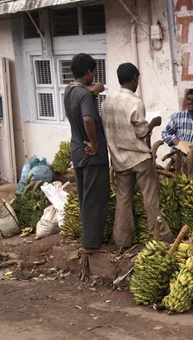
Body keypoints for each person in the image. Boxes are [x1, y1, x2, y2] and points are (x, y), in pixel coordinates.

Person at [101, 63, 172, 249]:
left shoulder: (106, 102)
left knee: (123, 200)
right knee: (150, 197)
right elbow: (141, 132)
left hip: (119, 159)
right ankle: (160, 236)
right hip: (139, 158)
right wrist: (154, 123)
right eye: (137, 79)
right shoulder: (135, 102)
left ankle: (122, 242)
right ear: (134, 79)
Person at [63, 53, 110, 254]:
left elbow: (85, 92)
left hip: (78, 152)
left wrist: (94, 89)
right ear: (88, 72)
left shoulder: (70, 90)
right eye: (93, 73)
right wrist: (94, 143)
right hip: (92, 154)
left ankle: (88, 238)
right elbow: (88, 119)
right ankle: (91, 244)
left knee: (84, 198)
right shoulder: (83, 95)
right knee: (95, 199)